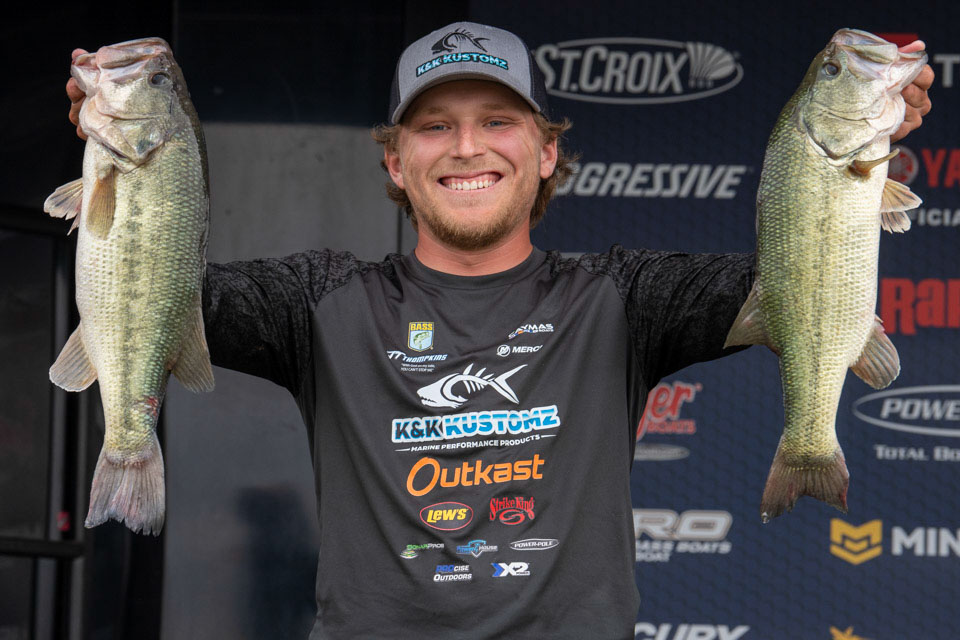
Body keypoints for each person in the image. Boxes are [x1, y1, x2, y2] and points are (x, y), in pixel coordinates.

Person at [66, 22, 933, 640]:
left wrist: (864, 140)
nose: (466, 147)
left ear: (546, 151)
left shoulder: (626, 295)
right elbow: (150, 288)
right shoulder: (318, 300)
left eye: (498, 121)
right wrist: (130, 170)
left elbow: (802, 277)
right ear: (395, 160)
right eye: (434, 125)